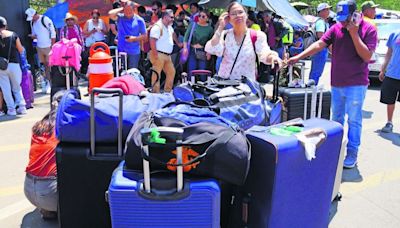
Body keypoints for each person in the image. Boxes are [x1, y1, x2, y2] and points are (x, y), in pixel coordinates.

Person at [288, 0, 378, 169]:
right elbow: (319, 44)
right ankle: (335, 149)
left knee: (354, 120)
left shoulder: (369, 29)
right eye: (341, 18)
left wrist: (354, 33)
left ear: (355, 14)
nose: (343, 22)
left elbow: (367, 56)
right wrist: (298, 57)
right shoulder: (336, 28)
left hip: (356, 84)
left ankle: (352, 152)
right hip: (337, 82)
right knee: (336, 119)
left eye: (346, 19)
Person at [205, 2, 281, 81]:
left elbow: (264, 54)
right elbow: (211, 49)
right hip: (225, 84)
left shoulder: (257, 36)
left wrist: (272, 57)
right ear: (228, 18)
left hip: (246, 87)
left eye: (240, 12)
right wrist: (221, 27)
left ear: (246, 15)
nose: (238, 16)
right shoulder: (225, 35)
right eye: (233, 14)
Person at [24, 91, 66, 220]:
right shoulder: (64, 128)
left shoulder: (39, 127)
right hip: (49, 191)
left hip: (28, 187)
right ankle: (56, 207)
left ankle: (48, 210)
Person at [0, 16, 27, 116]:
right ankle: (22, 107)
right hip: (14, 64)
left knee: (5, 89)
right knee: (16, 87)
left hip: (1, 67)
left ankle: (11, 109)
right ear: (5, 25)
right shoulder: (13, 34)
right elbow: (20, 50)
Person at [25, 8, 56, 94]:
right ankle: (47, 83)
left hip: (48, 46)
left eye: (32, 17)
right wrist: (33, 36)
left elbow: (53, 33)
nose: (32, 19)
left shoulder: (45, 19)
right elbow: (36, 34)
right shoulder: (32, 22)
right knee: (43, 66)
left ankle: (53, 84)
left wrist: (52, 46)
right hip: (39, 47)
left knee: (50, 65)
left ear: (35, 14)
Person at [109, 0, 147, 69]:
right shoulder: (120, 18)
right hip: (122, 50)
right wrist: (123, 8)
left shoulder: (139, 20)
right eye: (126, 10)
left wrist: (134, 39)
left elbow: (144, 36)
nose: (128, 12)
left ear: (134, 10)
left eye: (130, 10)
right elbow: (110, 14)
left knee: (132, 72)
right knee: (122, 72)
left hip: (134, 51)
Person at [149, 9, 176, 93]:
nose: (173, 19)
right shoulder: (157, 26)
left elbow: (173, 34)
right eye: (171, 17)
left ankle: (167, 92)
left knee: (171, 72)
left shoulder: (169, 27)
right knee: (157, 74)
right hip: (158, 53)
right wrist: (155, 54)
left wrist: (178, 43)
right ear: (165, 17)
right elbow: (152, 40)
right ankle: (155, 93)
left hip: (167, 55)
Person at [379, 30, 400, 133]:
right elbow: (389, 53)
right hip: (392, 73)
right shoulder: (394, 34)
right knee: (390, 100)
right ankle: (389, 122)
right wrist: (383, 69)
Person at [183, 9, 214, 78]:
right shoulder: (193, 25)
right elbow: (186, 37)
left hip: (202, 51)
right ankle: (190, 86)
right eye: (199, 16)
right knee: (191, 70)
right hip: (192, 50)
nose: (200, 18)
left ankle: (202, 87)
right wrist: (185, 48)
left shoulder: (210, 29)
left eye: (203, 16)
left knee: (202, 72)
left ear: (207, 18)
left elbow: (211, 42)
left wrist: (209, 52)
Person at [309, 3, 331, 85]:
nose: (328, 11)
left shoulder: (321, 21)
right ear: (321, 11)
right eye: (326, 9)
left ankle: (312, 88)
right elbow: (320, 35)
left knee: (316, 71)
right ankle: (312, 90)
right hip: (320, 50)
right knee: (316, 72)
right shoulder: (321, 22)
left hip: (320, 49)